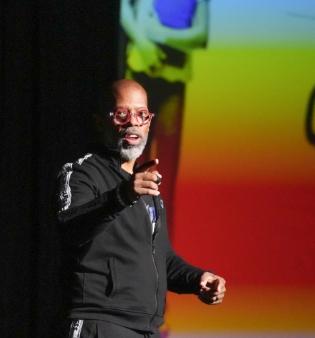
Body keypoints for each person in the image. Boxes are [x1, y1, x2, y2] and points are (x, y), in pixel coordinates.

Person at [55, 79, 225, 337]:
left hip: (145, 329)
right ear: (101, 120)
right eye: (122, 114)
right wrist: (122, 196)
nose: (133, 122)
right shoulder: (81, 172)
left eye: (141, 114)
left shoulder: (145, 188)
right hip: (99, 323)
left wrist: (198, 278)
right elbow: (70, 228)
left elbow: (162, 259)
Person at [120, 0, 210, 239]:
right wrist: (142, 41)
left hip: (173, 77)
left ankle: (161, 244)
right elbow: (124, 10)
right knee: (132, 161)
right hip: (141, 70)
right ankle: (128, 233)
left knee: (165, 170)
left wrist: (158, 34)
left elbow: (200, 35)